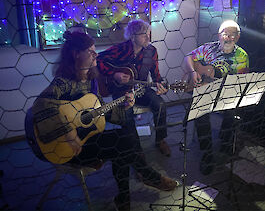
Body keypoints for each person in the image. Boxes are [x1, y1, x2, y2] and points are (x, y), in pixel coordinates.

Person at [32, 31, 177, 211]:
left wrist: (124, 105)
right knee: (124, 144)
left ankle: (125, 197)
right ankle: (146, 177)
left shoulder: (91, 80)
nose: (95, 55)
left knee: (124, 141)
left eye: (95, 51)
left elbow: (98, 111)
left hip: (87, 136)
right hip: (69, 146)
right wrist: (69, 133)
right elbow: (40, 105)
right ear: (76, 54)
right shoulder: (64, 82)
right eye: (90, 51)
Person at [183, 20, 249, 175]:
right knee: (200, 113)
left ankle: (226, 143)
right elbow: (188, 57)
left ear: (238, 37)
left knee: (233, 112)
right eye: (225, 34)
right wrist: (193, 72)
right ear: (219, 35)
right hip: (206, 92)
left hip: (226, 93)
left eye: (233, 35)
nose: (228, 38)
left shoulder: (242, 56)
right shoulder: (208, 48)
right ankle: (207, 153)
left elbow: (241, 82)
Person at [97, 19, 171, 156]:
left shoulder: (151, 51)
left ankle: (160, 139)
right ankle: (136, 151)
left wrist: (162, 85)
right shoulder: (120, 49)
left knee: (160, 104)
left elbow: (156, 76)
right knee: (126, 114)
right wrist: (115, 74)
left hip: (142, 89)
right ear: (133, 36)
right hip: (121, 91)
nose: (148, 37)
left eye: (148, 33)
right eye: (144, 34)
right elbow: (97, 60)